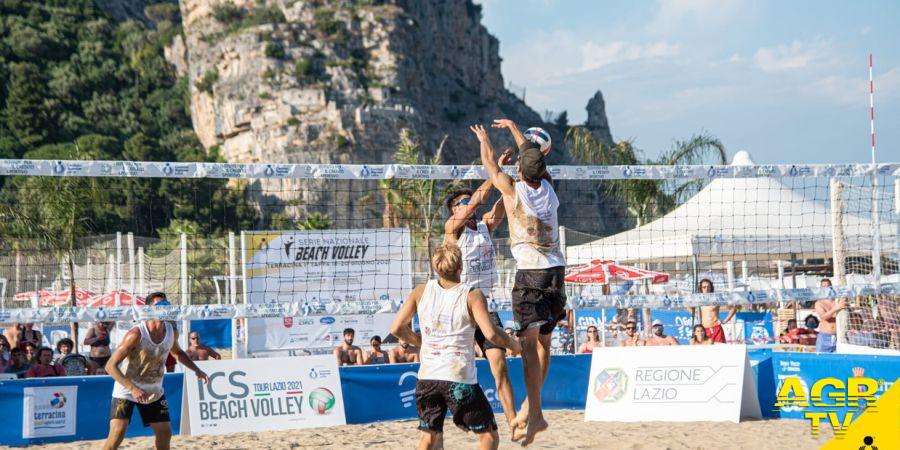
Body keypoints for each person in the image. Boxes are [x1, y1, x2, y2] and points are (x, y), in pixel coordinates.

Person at [481, 119, 566, 445]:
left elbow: (490, 164)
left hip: (530, 274)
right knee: (544, 346)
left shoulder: (512, 190)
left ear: (519, 169)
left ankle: (537, 414)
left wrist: (485, 138)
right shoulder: (549, 187)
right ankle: (530, 408)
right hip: (556, 272)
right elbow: (530, 156)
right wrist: (516, 129)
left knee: (529, 348)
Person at [390, 244, 521, 450]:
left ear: (436, 267)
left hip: (427, 378)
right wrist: (514, 345)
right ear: (460, 266)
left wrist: (420, 342)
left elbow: (397, 327)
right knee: (488, 437)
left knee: (429, 439)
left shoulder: (420, 291)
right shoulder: (472, 295)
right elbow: (492, 334)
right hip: (457, 379)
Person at [443, 146, 518, 432]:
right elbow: (477, 201)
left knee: (499, 366)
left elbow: (501, 201)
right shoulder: (453, 229)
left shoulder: (485, 226)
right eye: (460, 202)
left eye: (466, 201)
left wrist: (506, 175)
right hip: (459, 308)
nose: (466, 204)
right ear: (454, 210)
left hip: (486, 307)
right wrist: (493, 168)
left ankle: (513, 421)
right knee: (456, 371)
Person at [103, 292, 208, 450]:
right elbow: (110, 366)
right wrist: (133, 388)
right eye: (158, 305)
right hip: (126, 388)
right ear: (148, 309)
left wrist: (197, 369)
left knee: (165, 433)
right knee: (118, 431)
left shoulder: (172, 331)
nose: (163, 308)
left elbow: (178, 353)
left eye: (165, 304)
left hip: (153, 389)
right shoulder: (136, 334)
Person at [696, 279, 737, 344]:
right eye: (704, 287)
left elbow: (733, 309)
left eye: (708, 287)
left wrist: (725, 320)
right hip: (704, 330)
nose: (706, 289)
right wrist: (696, 315)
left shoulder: (717, 298)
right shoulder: (698, 299)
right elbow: (687, 306)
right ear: (701, 289)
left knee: (720, 351)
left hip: (716, 328)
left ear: (711, 287)